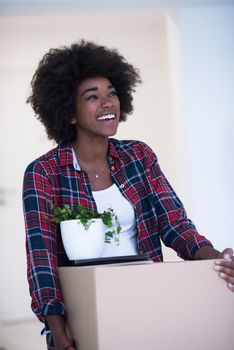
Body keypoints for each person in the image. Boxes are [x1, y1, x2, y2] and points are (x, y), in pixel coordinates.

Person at [23, 40, 234, 350]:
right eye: (92, 97)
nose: (108, 103)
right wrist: (59, 334)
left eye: (112, 93)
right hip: (84, 310)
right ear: (68, 112)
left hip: (145, 297)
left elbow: (175, 224)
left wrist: (217, 260)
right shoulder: (44, 172)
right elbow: (41, 259)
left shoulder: (139, 155)